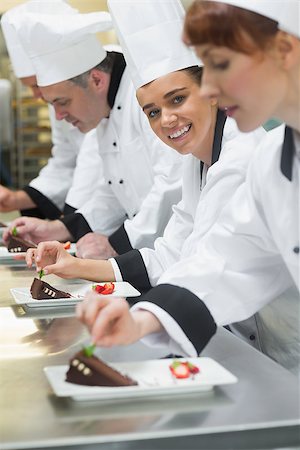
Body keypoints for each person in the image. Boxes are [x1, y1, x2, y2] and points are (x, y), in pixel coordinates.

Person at [69, 0, 299, 374]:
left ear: (284, 51)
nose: (209, 87)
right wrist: (144, 319)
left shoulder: (253, 156)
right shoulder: (274, 159)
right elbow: (228, 258)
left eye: (220, 65)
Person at [4, 10, 183, 259]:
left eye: (62, 102)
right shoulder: (104, 108)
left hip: (176, 252)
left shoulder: (144, 98)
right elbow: (114, 189)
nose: (58, 116)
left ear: (96, 80)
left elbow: (174, 182)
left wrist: (118, 243)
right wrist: (58, 228)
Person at [0, 0, 95, 220]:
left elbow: (96, 169)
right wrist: (17, 199)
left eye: (36, 85)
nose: (36, 95)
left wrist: (68, 226)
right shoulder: (60, 101)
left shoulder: (94, 88)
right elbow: (65, 161)